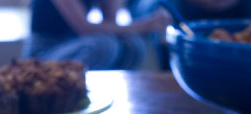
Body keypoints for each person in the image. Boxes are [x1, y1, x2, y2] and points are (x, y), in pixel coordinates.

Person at [27, 0, 171, 70]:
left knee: (132, 44)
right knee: (104, 46)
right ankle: (72, 90)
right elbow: (85, 28)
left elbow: (111, 22)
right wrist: (144, 25)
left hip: (74, 43)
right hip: (44, 52)